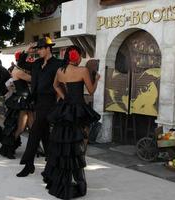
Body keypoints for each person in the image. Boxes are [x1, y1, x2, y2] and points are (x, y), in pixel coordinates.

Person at [42, 46, 100, 199]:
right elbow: (91, 90)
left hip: (64, 109)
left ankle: (60, 179)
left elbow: (55, 85)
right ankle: (76, 177)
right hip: (78, 110)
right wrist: (97, 80)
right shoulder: (83, 71)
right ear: (77, 57)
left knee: (63, 143)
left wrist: (63, 96)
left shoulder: (60, 70)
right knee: (78, 142)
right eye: (80, 56)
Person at [16, 37, 63, 177]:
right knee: (45, 134)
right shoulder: (36, 63)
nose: (39, 51)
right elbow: (21, 63)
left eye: (41, 48)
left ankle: (28, 164)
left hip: (49, 102)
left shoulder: (57, 63)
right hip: (37, 101)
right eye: (38, 49)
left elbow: (66, 77)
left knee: (35, 132)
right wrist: (27, 51)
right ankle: (51, 164)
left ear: (48, 49)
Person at [0, 51, 34, 159]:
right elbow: (33, 79)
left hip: (26, 100)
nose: (28, 61)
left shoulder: (19, 70)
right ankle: (8, 149)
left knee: (33, 126)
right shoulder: (18, 71)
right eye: (27, 59)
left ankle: (34, 149)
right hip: (22, 100)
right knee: (20, 128)